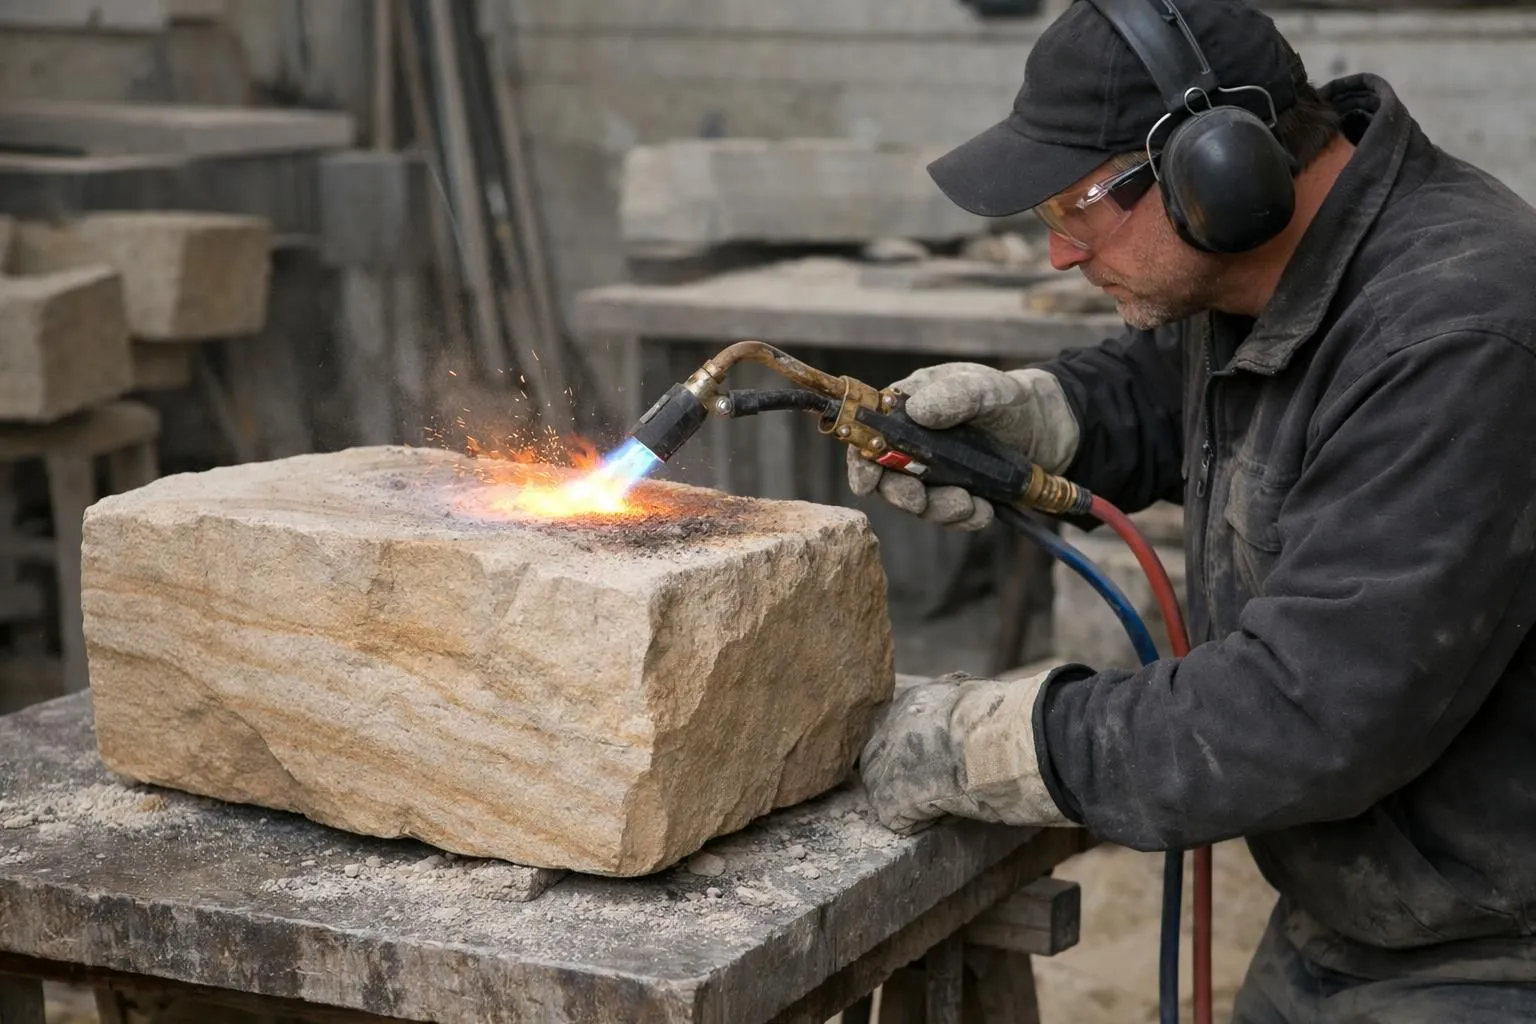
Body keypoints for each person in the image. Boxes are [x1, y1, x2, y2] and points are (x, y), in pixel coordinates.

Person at [849, 0, 1536, 1020]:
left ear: (1218, 169)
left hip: (1489, 950)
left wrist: (1008, 742)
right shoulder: (1273, 269)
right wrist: (1050, 416)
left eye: (1077, 204)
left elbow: (1310, 710)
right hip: (1352, 913)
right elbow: (1183, 382)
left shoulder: (1458, 333)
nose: (1061, 254)